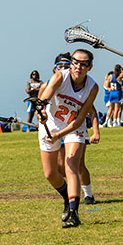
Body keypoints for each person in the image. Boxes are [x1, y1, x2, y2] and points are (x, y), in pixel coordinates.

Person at [36, 49, 98, 228]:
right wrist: (41, 113)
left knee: (72, 166)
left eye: (83, 63)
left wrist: (60, 135)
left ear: (90, 67)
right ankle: (66, 198)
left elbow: (80, 119)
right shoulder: (60, 77)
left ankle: (73, 212)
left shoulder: (92, 87)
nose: (78, 66)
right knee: (50, 174)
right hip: (50, 125)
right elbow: (45, 97)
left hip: (73, 128)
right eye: (75, 62)